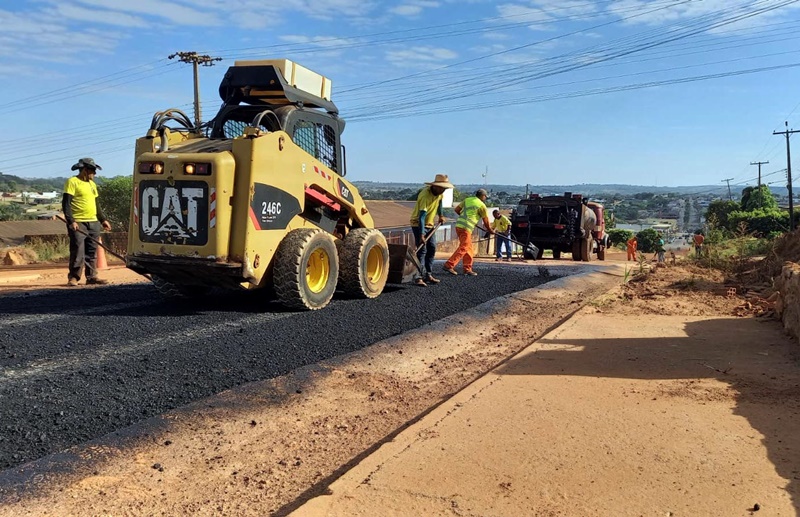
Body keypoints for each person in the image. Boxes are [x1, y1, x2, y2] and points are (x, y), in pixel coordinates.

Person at [62, 157, 112, 286]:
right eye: (92, 171)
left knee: (91, 251)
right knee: (78, 251)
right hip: (78, 222)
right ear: (84, 170)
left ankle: (91, 277)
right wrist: (71, 220)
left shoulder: (92, 184)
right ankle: (73, 277)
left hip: (93, 222)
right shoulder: (72, 182)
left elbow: (97, 205)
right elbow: (66, 204)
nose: (94, 174)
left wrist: (103, 220)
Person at [410, 174, 452, 287]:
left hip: (430, 224)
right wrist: (422, 234)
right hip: (418, 224)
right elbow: (421, 217)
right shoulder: (424, 195)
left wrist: (441, 215)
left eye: (445, 188)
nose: (443, 190)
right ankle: (418, 277)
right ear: (435, 186)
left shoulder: (439, 194)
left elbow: (439, 203)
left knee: (432, 248)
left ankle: (428, 274)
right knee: (422, 250)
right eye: (442, 188)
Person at [443, 189, 494, 276]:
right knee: (464, 247)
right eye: (485, 196)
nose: (485, 198)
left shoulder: (467, 200)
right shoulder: (482, 205)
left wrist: (465, 217)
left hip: (459, 225)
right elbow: (486, 221)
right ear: (482, 196)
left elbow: (457, 210)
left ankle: (467, 269)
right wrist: (490, 230)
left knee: (468, 247)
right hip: (466, 227)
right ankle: (449, 264)